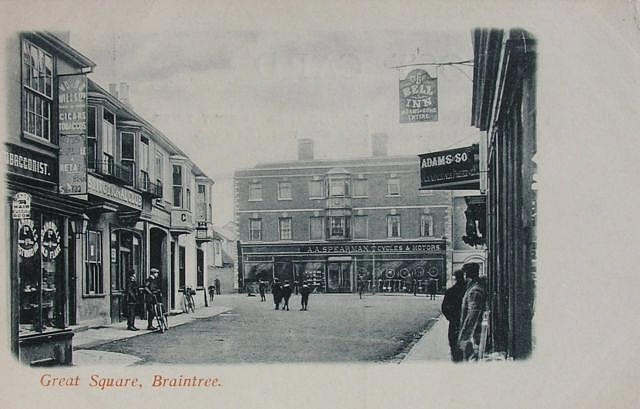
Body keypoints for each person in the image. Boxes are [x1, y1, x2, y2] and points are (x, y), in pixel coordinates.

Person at [457, 263, 487, 361]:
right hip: (475, 334)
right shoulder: (474, 286)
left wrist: (464, 337)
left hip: (474, 335)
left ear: (468, 274)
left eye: (465, 274)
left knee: (471, 359)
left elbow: (472, 316)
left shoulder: (474, 290)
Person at [441, 269, 466, 362]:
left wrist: (451, 318)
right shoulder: (467, 289)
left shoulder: (451, 291)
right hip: (466, 321)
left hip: (455, 322)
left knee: (454, 346)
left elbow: (444, 308)